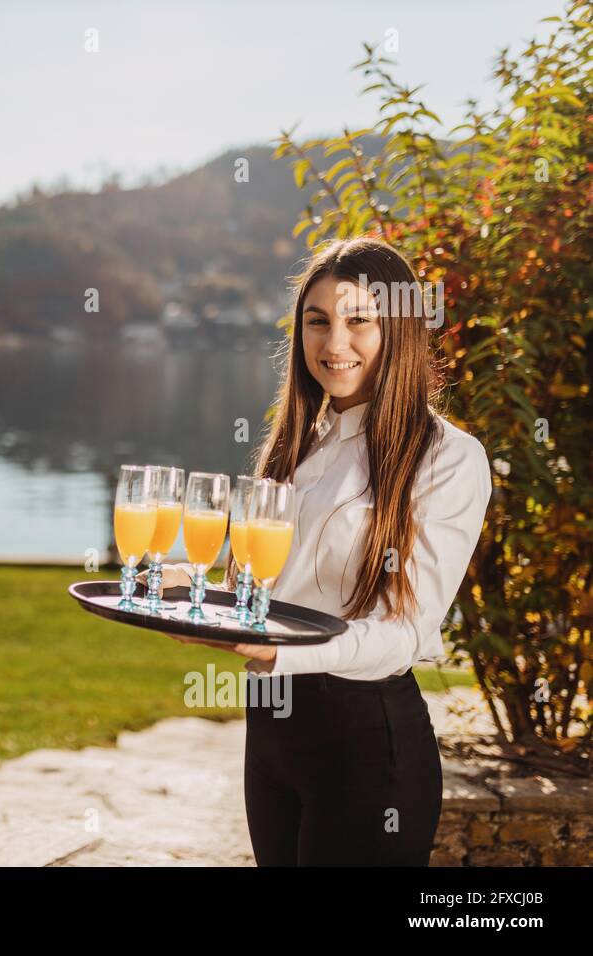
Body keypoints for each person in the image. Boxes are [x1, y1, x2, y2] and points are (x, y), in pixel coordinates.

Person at [157, 236, 491, 865]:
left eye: (359, 320)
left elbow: (403, 632)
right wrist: (192, 594)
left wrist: (275, 651)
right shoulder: (297, 446)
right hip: (273, 735)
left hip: (366, 745)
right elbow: (276, 597)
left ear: (400, 328)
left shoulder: (448, 459)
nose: (335, 344)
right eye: (318, 322)